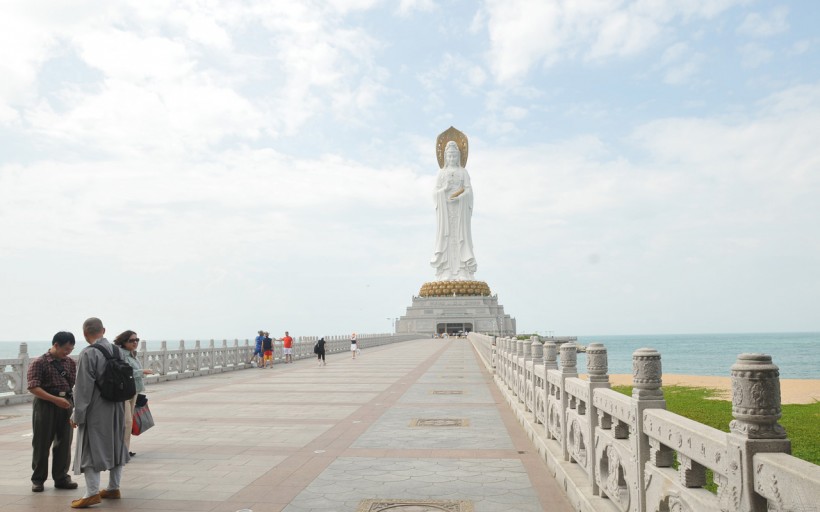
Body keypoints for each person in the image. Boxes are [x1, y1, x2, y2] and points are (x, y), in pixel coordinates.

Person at [70, 317, 130, 508]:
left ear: (85, 333)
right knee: (116, 444)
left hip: (97, 407)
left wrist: (77, 414)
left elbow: (83, 388)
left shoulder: (88, 353)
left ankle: (92, 493)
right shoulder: (117, 351)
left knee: (90, 447)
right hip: (118, 405)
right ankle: (113, 487)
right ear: (103, 330)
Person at [27, 331, 79, 492]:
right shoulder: (39, 363)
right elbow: (33, 387)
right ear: (55, 345)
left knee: (65, 442)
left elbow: (73, 384)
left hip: (66, 404)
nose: (68, 352)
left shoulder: (70, 363)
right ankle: (38, 479)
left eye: (71, 349)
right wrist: (55, 399)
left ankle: (61, 477)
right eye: (66, 349)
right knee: (42, 443)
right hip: (45, 405)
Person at [430, 138, 477, 281]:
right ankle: (446, 271)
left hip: (460, 212)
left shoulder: (463, 172)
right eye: (449, 156)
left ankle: (463, 270)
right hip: (446, 212)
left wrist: (461, 197)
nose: (451, 158)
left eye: (454, 156)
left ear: (459, 157)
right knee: (447, 238)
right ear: (445, 157)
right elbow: (435, 193)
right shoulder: (441, 173)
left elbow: (469, 191)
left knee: (461, 238)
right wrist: (443, 191)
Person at [114, 330, 153, 457]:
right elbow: (126, 372)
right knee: (127, 422)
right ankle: (121, 451)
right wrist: (143, 371)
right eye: (131, 340)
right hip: (124, 392)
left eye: (136, 340)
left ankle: (125, 449)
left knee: (129, 422)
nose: (135, 342)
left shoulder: (132, 354)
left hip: (133, 391)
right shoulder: (122, 355)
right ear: (124, 341)